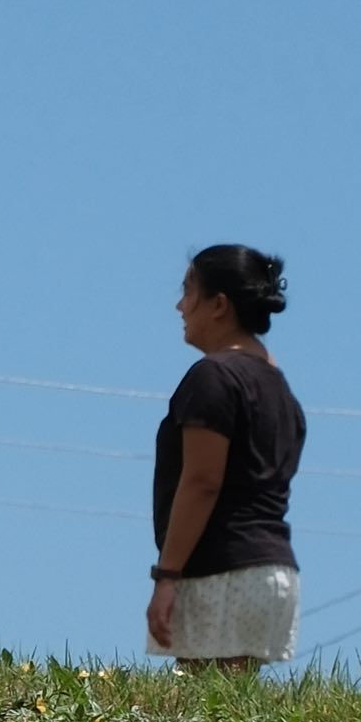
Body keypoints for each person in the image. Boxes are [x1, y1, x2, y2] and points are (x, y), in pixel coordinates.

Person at [150, 244, 305, 671]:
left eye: (188, 292)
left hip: (223, 571)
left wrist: (166, 576)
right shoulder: (279, 388)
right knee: (225, 712)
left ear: (219, 305)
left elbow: (202, 481)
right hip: (271, 571)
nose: (180, 306)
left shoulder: (214, 378)